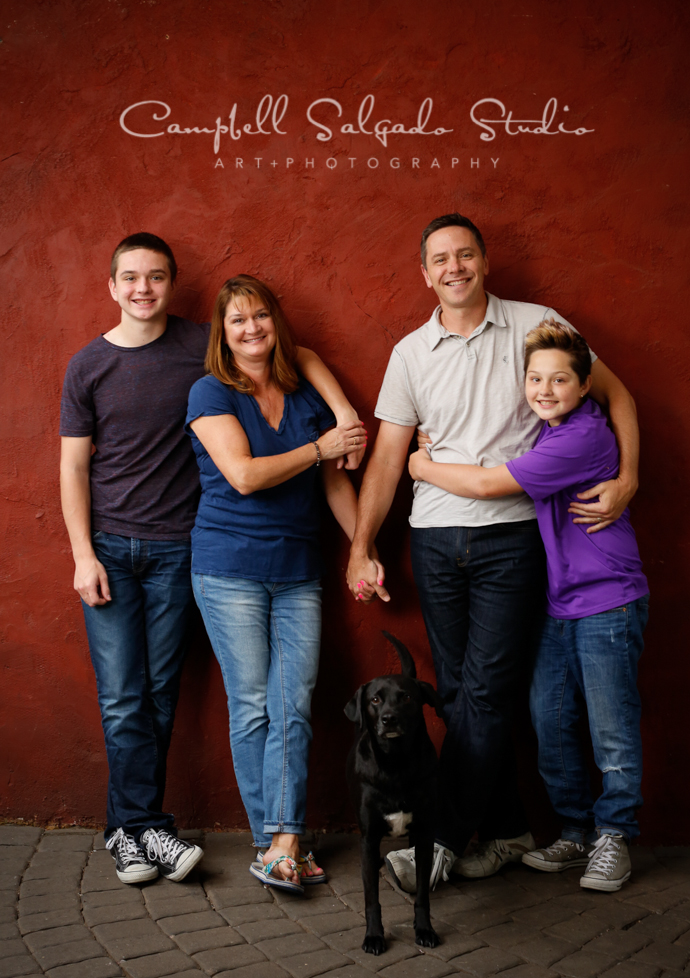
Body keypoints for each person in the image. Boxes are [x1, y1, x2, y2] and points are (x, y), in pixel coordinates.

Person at [346, 213, 640, 892]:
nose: (454, 268)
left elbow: (614, 390)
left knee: (482, 691)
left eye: (466, 255)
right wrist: (362, 546)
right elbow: (390, 458)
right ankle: (507, 830)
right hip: (435, 538)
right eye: (440, 259)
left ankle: (439, 841)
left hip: (512, 537)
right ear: (425, 273)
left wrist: (629, 478)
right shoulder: (410, 353)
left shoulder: (536, 325)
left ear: (484, 262)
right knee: (455, 696)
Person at [60, 234, 362, 884]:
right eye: (131, 278)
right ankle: (131, 829)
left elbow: (294, 350)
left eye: (156, 277)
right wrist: (82, 553)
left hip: (179, 548)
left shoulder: (204, 345)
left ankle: (192, 832)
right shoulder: (93, 366)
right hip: (129, 547)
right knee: (124, 699)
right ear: (112, 287)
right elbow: (73, 465)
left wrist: (340, 415)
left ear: (171, 285)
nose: (143, 288)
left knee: (166, 697)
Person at [409, 320, 648, 891]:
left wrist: (421, 467)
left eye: (559, 379)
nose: (543, 389)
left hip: (606, 602)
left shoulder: (581, 437)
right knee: (552, 724)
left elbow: (492, 485)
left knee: (611, 727)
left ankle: (614, 836)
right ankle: (573, 833)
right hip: (558, 603)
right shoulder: (548, 430)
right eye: (535, 378)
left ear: (584, 384)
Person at [185, 275, 365, 894]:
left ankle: (282, 841)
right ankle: (276, 843)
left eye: (261, 316)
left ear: (276, 323)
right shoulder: (210, 392)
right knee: (254, 705)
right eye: (238, 320)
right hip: (227, 569)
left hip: (298, 573)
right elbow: (242, 475)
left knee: (295, 703)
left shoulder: (302, 388)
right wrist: (321, 446)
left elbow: (334, 481)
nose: (252, 328)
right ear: (223, 332)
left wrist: (361, 547)